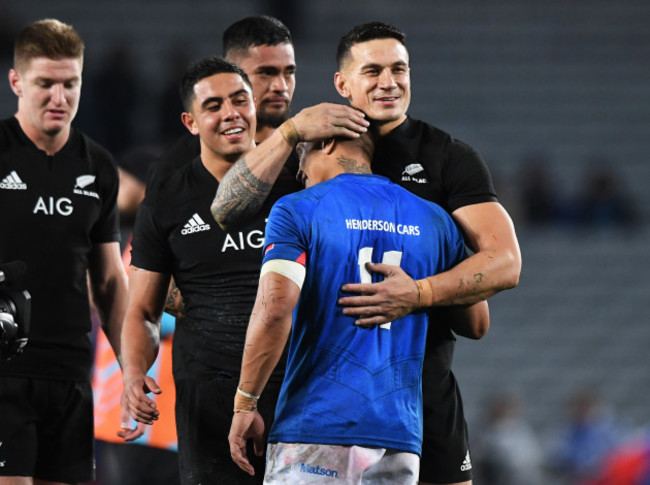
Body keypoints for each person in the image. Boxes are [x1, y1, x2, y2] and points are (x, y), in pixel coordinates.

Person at [212, 21, 521, 485]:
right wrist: (290, 132)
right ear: (342, 84)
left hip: (391, 402)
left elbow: (505, 262)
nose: (389, 82)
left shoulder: (446, 157)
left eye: (399, 69)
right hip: (391, 418)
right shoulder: (422, 211)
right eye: (372, 70)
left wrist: (418, 292)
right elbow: (225, 210)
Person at [120, 55, 363, 485]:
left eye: (239, 101)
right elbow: (142, 310)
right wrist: (135, 373)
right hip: (207, 404)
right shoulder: (166, 200)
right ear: (190, 122)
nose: (230, 113)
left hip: (301, 395)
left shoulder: (299, 180)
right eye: (213, 106)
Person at [228, 131, 489, 483]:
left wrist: (246, 402)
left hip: (318, 426)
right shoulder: (435, 220)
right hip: (399, 435)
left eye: (302, 159)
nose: (301, 174)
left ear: (327, 144)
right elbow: (476, 323)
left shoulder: (298, 208)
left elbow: (274, 311)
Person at [0, 19, 127, 485]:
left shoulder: (98, 165)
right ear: (16, 81)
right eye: (45, 84)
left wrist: (131, 372)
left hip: (71, 375)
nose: (60, 97)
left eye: (69, 83)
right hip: (4, 372)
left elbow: (111, 282)